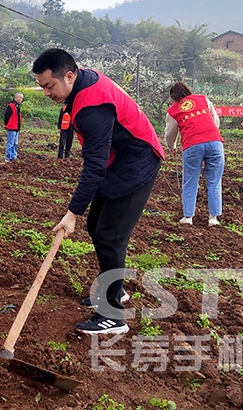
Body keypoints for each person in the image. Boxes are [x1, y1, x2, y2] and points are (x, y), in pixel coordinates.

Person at [32, 48, 164, 336]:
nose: (46, 93)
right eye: (42, 87)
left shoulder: (90, 108)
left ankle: (113, 315)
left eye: (49, 86)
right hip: (121, 158)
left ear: (69, 76)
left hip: (137, 160)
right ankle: (112, 290)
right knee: (98, 226)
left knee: (109, 234)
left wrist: (71, 213)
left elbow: (93, 168)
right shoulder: (83, 83)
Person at [164, 82, 224, 226]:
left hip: (192, 145)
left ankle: (188, 217)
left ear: (173, 97)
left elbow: (170, 133)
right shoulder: (203, 100)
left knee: (190, 181)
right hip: (214, 142)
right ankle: (213, 218)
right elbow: (215, 121)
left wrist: (172, 146)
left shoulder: (173, 110)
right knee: (214, 182)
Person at [4, 92, 23, 162]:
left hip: (16, 127)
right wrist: (6, 124)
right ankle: (8, 157)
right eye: (20, 98)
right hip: (12, 127)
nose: (21, 99)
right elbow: (6, 116)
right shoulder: (11, 106)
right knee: (10, 143)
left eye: (22, 98)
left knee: (15, 143)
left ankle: (13, 156)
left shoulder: (18, 106)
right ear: (16, 97)